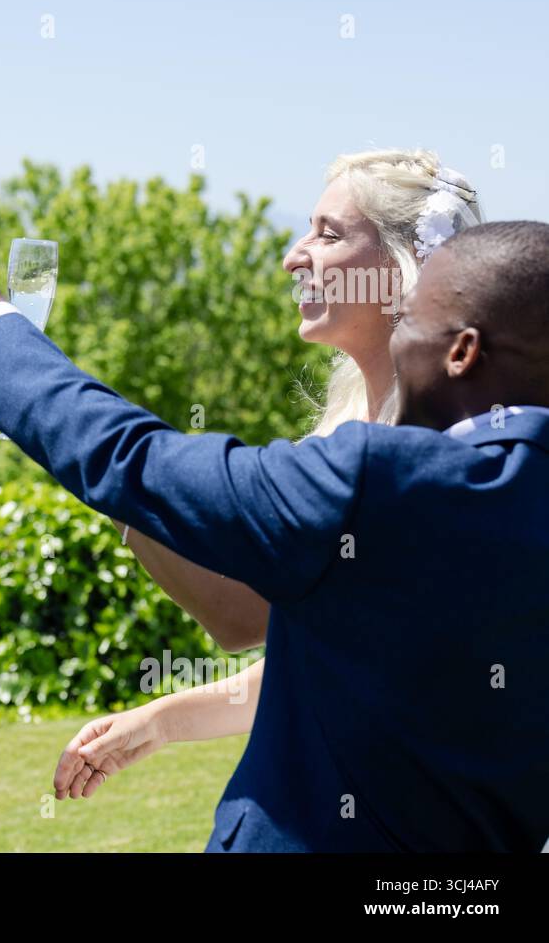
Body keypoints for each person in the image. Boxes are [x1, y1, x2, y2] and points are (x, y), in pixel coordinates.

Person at [0, 220, 549, 851]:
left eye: (409, 320)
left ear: (462, 352)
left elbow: (136, 462)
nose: (395, 341)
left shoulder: (382, 480)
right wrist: (166, 720)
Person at [57, 150, 486, 796]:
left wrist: (111, 464)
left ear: (404, 269)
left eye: (329, 233)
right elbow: (314, 657)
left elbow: (241, 613)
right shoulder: (350, 427)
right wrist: (160, 721)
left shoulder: (428, 452)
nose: (294, 255)